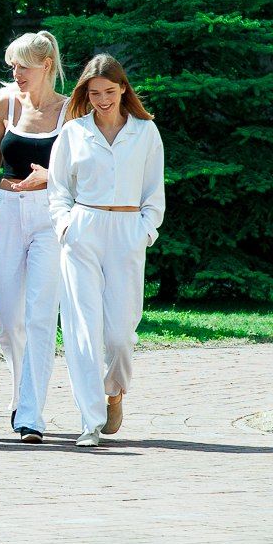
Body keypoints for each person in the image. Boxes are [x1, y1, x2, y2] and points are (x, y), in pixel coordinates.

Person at [48, 53, 166, 448]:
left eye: (110, 91)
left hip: (127, 231)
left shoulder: (145, 132)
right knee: (83, 328)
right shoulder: (73, 132)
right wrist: (66, 226)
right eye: (94, 92)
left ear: (123, 90)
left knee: (119, 333)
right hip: (83, 229)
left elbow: (154, 191)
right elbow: (59, 188)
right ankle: (90, 419)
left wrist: (144, 231)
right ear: (86, 93)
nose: (102, 99)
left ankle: (114, 390)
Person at [0, 30, 68, 441]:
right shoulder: (5, 103)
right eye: (13, 66)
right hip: (5, 212)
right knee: (5, 320)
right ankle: (23, 389)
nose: (16, 73)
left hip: (49, 216)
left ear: (46, 66)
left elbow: (82, 171)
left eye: (23, 66)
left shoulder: (69, 111)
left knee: (41, 314)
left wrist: (51, 178)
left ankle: (30, 414)